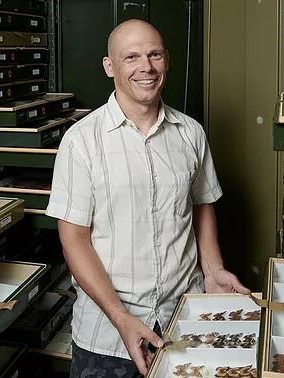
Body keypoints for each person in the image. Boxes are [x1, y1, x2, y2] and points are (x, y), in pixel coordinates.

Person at [46, 19, 250, 378]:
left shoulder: (190, 133)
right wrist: (121, 318)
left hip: (183, 321)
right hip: (107, 337)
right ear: (110, 66)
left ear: (167, 60)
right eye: (131, 57)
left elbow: (201, 206)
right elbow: (73, 239)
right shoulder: (81, 141)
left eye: (155, 54)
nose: (146, 67)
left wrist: (213, 268)